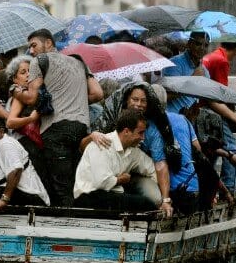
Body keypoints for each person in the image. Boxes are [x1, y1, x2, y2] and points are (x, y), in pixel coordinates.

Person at [12, 28, 104, 207]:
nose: (31, 51)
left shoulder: (40, 60)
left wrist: (15, 91)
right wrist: (72, 99)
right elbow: (98, 93)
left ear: (48, 43)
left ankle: (67, 229)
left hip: (56, 131)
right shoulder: (79, 61)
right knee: (78, 184)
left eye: (34, 45)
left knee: (61, 189)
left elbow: (32, 97)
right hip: (81, 129)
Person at [86, 82, 174, 217]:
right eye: (135, 99)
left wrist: (165, 200)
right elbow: (84, 147)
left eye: (143, 101)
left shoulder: (151, 130)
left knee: (155, 198)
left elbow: (159, 164)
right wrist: (93, 136)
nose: (138, 104)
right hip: (107, 173)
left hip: (136, 173)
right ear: (126, 101)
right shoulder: (111, 119)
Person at [73, 109, 158, 212]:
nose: (143, 138)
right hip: (89, 196)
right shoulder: (103, 143)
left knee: (149, 203)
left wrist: (164, 196)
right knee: (144, 204)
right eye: (140, 133)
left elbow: (152, 168)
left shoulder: (133, 151)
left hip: (110, 195)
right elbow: (101, 182)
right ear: (126, 131)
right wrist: (119, 180)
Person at [202, 41, 236, 191]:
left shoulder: (212, 56)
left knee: (213, 151)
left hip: (203, 110)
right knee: (232, 148)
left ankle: (211, 185)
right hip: (211, 111)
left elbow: (219, 90)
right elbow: (220, 96)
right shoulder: (222, 61)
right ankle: (230, 186)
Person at [154, 85, 202, 215]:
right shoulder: (183, 119)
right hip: (191, 186)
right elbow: (197, 148)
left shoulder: (150, 123)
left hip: (172, 191)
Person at [4, 54, 46, 184]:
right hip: (24, 143)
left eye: (30, 71)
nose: (28, 74)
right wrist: (30, 118)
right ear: (14, 79)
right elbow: (10, 122)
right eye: (23, 72)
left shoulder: (26, 93)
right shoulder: (19, 95)